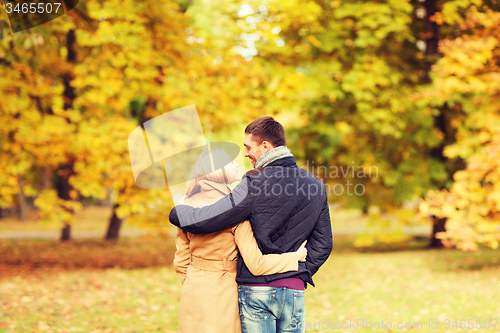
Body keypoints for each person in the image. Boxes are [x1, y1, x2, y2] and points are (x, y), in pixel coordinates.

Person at [170, 116, 333, 333]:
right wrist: (298, 272)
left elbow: (214, 217)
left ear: (265, 146)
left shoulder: (253, 182)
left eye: (248, 147)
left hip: (256, 289)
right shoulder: (316, 185)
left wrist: (178, 212)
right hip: (294, 289)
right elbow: (324, 243)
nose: (245, 154)